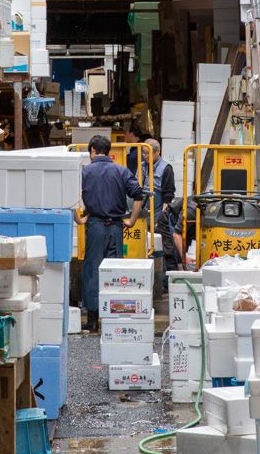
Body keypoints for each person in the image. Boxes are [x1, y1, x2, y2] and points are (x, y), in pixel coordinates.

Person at [77, 134, 144, 332]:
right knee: (115, 272)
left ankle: (92, 320)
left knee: (92, 271)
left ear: (92, 151)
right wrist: (131, 220)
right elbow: (139, 195)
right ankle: (112, 317)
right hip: (116, 227)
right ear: (108, 151)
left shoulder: (85, 171)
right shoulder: (121, 171)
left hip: (95, 226)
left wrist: (78, 219)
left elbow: (70, 195)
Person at [144, 138, 183, 287]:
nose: (144, 156)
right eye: (143, 153)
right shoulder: (142, 167)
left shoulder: (166, 168)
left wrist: (160, 217)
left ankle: (168, 284)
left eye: (147, 153)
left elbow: (168, 196)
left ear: (157, 152)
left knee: (166, 249)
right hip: (144, 216)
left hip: (160, 216)